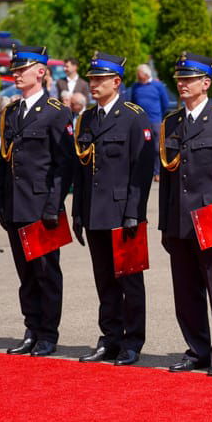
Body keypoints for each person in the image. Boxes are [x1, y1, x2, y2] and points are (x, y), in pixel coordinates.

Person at [159, 52, 212, 376]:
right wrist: (164, 225)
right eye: (180, 79)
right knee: (185, 290)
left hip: (210, 219)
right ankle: (197, 350)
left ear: (205, 83)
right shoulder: (172, 122)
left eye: (190, 79)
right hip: (179, 221)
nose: (182, 84)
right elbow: (168, 178)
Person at [73, 52, 153, 366]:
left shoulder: (134, 117)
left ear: (116, 82)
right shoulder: (87, 119)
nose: (93, 84)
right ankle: (110, 338)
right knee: (104, 280)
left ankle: (132, 342)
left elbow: (142, 170)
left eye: (100, 79)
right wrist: (78, 212)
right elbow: (80, 170)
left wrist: (134, 211)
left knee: (129, 282)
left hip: (123, 213)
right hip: (95, 212)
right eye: (91, 79)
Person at [0, 46, 74, 357]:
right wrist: (0, 200)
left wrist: (53, 205)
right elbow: (4, 160)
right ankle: (31, 328)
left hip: (42, 207)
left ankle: (48, 333)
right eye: (14, 68)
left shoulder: (56, 112)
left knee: (45, 273)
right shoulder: (10, 113)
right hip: (15, 205)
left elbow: (63, 164)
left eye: (22, 68)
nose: (16, 73)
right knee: (25, 274)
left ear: (40, 72)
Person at [130, 64, 171, 179]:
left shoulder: (158, 86)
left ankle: (157, 172)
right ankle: (142, 171)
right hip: (140, 122)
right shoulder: (135, 87)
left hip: (155, 121)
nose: (137, 75)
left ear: (146, 74)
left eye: (139, 73)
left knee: (156, 148)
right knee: (139, 147)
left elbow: (165, 103)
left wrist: (159, 116)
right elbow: (133, 103)